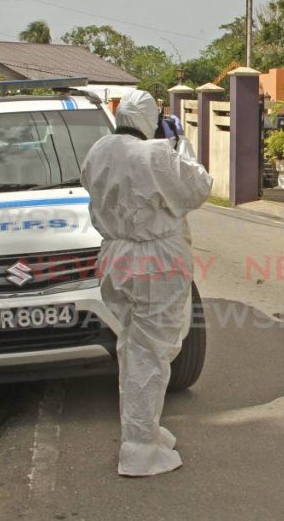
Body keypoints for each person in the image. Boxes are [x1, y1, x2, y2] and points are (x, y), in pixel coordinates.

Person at [81, 90, 212, 477]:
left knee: (134, 347)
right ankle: (138, 449)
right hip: (155, 261)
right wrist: (179, 144)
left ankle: (145, 431)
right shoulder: (155, 154)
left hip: (116, 259)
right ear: (150, 118)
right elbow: (198, 187)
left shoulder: (98, 150)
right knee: (150, 353)